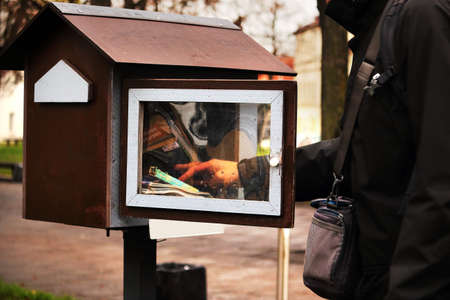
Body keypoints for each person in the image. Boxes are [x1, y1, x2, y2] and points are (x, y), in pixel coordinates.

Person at [178, 0, 450, 298]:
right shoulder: (378, 29)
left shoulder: (423, 14)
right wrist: (245, 172)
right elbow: (358, 153)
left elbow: (441, 180)